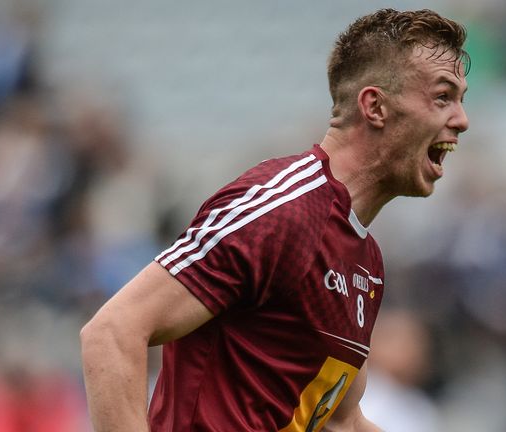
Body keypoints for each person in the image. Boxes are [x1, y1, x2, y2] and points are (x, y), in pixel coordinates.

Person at [80, 8, 469, 432]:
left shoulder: (366, 261)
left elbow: (341, 420)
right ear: (374, 106)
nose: (461, 121)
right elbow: (112, 333)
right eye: (442, 97)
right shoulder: (282, 209)